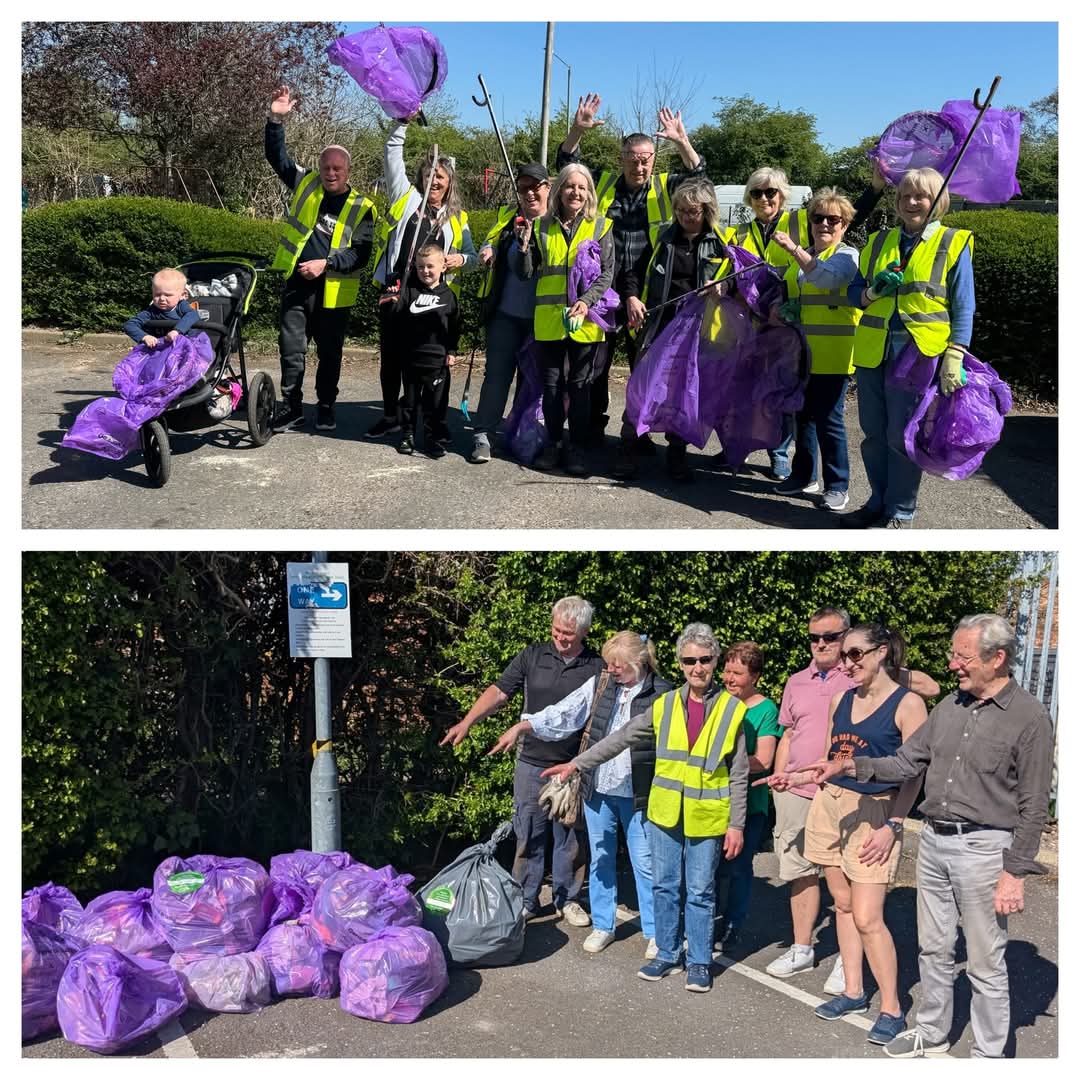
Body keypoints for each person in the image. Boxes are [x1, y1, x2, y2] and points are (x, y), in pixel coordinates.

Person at [802, 614, 1053, 1058]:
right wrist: (847, 766)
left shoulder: (1029, 717)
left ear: (998, 658)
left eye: (963, 656)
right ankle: (933, 1034)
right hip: (935, 842)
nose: (953, 664)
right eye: (953, 653)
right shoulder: (951, 707)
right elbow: (904, 763)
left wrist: (1015, 872)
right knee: (933, 949)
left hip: (984, 847)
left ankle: (989, 1053)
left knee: (985, 960)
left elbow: (1034, 805)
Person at [541, 622, 748, 994]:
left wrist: (737, 824)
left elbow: (738, 774)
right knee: (665, 886)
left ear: (715, 660)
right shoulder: (664, 705)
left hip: (706, 817)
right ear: (680, 663)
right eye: (689, 661)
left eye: (704, 659)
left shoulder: (733, 710)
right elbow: (619, 739)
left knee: (700, 892)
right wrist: (576, 765)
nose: (697, 667)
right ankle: (667, 953)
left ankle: (699, 961)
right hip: (665, 813)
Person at [766, 624, 928, 1046]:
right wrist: (794, 776)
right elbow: (830, 758)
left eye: (855, 654)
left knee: (868, 916)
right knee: (841, 905)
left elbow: (914, 774)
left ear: (881, 653)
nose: (847, 662)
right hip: (830, 803)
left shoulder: (908, 704)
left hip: (876, 810)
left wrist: (894, 824)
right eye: (846, 654)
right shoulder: (841, 698)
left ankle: (892, 1007)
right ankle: (854, 991)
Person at [489, 631, 673, 957]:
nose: (611, 670)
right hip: (598, 787)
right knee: (600, 858)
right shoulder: (603, 684)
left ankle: (656, 932)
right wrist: (525, 725)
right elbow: (566, 711)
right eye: (609, 663)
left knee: (645, 863)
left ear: (639, 662)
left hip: (639, 792)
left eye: (618, 665)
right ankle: (604, 926)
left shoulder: (662, 694)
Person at [440, 596, 603, 924]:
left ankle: (568, 898)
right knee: (527, 831)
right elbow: (500, 692)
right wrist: (467, 722)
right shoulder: (532, 655)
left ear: (584, 631)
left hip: (573, 764)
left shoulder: (596, 666)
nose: (560, 637)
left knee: (570, 835)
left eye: (568, 633)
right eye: (557, 629)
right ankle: (526, 898)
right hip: (531, 761)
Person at [556, 94, 707, 445]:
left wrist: (683, 141)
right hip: (603, 292)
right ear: (621, 159)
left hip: (647, 295)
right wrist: (578, 130)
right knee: (595, 366)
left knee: (648, 368)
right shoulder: (604, 183)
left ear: (653, 160)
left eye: (645, 160)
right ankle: (593, 428)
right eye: (633, 159)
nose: (639, 167)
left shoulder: (665, 186)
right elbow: (568, 165)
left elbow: (699, 179)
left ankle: (637, 433)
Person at [842, 167, 975, 529]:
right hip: (873, 349)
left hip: (917, 352)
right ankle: (877, 501)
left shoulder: (954, 241)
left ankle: (900, 510)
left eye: (921, 196)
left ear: (938, 201)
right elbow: (855, 293)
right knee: (872, 434)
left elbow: (964, 304)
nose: (911, 202)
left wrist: (956, 352)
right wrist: (872, 292)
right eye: (904, 196)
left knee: (901, 436)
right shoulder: (878, 241)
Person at [265, 86, 376, 434]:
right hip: (298, 284)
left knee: (329, 354)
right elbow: (277, 156)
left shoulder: (363, 207)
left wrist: (325, 264)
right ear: (320, 167)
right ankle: (292, 406)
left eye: (338, 168)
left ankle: (326, 406)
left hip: (334, 292)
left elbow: (361, 254)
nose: (331, 173)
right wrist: (275, 120)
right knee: (291, 350)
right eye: (327, 166)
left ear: (348, 171)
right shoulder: (305, 182)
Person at [615, 177, 733, 482]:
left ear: (707, 210)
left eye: (692, 211)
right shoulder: (660, 237)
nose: (685, 216)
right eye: (680, 210)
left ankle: (677, 456)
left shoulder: (724, 241)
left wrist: (724, 286)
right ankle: (629, 448)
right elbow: (632, 272)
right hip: (658, 326)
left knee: (683, 394)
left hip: (698, 331)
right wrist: (630, 297)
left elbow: (740, 280)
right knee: (642, 387)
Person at [367, 116, 476, 439]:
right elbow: (391, 153)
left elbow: (471, 258)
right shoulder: (405, 199)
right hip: (398, 293)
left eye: (441, 176)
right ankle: (391, 415)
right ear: (421, 177)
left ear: (450, 182)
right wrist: (402, 122)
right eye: (430, 174)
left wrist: (461, 259)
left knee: (426, 364)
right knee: (392, 359)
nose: (435, 181)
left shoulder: (458, 218)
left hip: (434, 301)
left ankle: (426, 418)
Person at [769, 188, 862, 512]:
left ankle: (837, 486)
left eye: (832, 219)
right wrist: (784, 308)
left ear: (844, 225)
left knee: (829, 420)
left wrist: (793, 249)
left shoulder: (847, 256)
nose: (824, 224)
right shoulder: (808, 256)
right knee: (803, 417)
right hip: (804, 353)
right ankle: (803, 476)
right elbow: (801, 293)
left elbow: (825, 280)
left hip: (835, 352)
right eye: (817, 218)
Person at [521, 164, 614, 476]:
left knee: (580, 387)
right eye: (570, 186)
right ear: (559, 190)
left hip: (586, 319)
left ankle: (577, 447)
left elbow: (607, 274)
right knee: (550, 386)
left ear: (589, 192)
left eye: (582, 187)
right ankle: (553, 443)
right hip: (549, 318)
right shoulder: (540, 226)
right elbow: (527, 271)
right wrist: (523, 248)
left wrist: (586, 303)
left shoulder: (601, 225)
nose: (576, 192)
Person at [731, 166, 812, 481]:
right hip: (750, 325)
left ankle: (779, 453)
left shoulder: (801, 223)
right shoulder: (738, 232)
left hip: (786, 325)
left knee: (780, 392)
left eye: (771, 192)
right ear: (748, 198)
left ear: (783, 196)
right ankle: (737, 447)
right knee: (744, 390)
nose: (764, 198)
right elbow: (730, 271)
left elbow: (818, 261)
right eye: (757, 193)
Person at [469, 163, 551, 464]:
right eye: (523, 187)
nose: (529, 192)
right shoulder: (507, 219)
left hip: (540, 317)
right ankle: (483, 434)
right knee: (496, 376)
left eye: (536, 186)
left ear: (547, 189)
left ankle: (516, 432)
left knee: (530, 380)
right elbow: (489, 242)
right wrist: (488, 249)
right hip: (504, 313)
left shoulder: (554, 223)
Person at [713, 641, 782, 954]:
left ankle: (732, 924)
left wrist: (726, 765)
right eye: (727, 671)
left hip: (748, 802)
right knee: (710, 864)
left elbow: (764, 760)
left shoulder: (766, 710)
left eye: (737, 673)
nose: (729, 678)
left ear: (755, 676)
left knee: (739, 866)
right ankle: (708, 917)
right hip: (713, 798)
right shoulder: (718, 701)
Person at [391, 243, 460, 458]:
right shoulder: (409, 291)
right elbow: (395, 314)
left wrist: (452, 351)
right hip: (411, 359)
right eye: (420, 267)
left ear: (442, 268)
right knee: (410, 402)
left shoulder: (449, 296)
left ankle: (432, 438)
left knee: (435, 405)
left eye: (430, 266)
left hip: (437, 363)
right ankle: (408, 434)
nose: (425, 271)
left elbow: (455, 327)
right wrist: (391, 299)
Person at [122, 269, 201, 347]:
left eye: (168, 295)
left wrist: (177, 331)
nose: (162, 299)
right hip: (160, 348)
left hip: (185, 346)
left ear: (183, 295)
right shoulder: (151, 312)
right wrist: (145, 337)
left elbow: (193, 314)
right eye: (157, 294)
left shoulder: (182, 306)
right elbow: (129, 325)